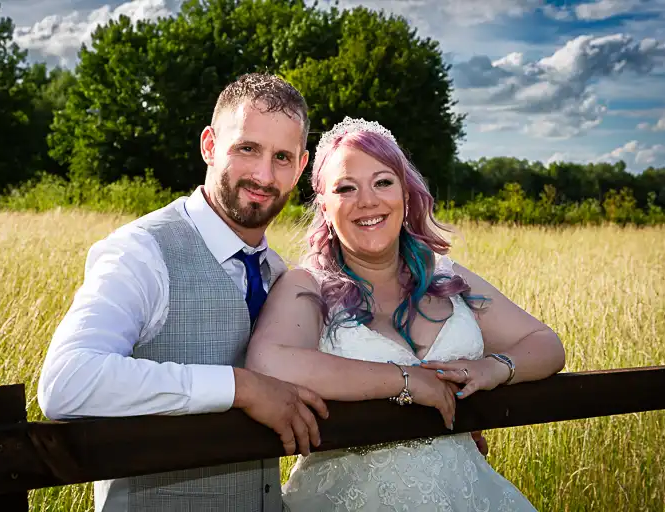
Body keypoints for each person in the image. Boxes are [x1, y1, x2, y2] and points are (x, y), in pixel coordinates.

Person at [38, 73, 487, 511]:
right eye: (246, 149)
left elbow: (328, 380)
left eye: (282, 158)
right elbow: (67, 383)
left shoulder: (279, 275)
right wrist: (241, 387)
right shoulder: (142, 252)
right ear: (210, 146)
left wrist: (425, 423)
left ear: (300, 170)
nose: (262, 174)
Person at [245, 117, 567, 511]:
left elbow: (546, 344)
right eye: (346, 188)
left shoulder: (448, 276)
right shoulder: (306, 285)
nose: (368, 201)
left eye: (383, 182)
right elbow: (269, 361)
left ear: (406, 194)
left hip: (466, 494)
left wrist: (493, 368)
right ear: (325, 207)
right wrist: (403, 381)